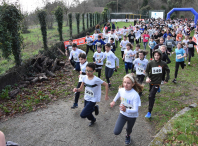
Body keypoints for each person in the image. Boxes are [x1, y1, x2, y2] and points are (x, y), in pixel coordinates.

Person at [110, 74, 143, 145]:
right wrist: (113, 101)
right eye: (124, 82)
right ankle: (127, 134)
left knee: (129, 129)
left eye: (128, 83)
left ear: (133, 84)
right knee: (116, 131)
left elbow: (136, 110)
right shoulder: (121, 90)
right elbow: (118, 93)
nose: (126, 84)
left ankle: (128, 136)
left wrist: (126, 110)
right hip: (123, 114)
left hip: (132, 116)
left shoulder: (135, 95)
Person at [145, 49, 170, 118]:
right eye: (155, 55)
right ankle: (157, 89)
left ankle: (149, 112)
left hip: (157, 82)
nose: (156, 56)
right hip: (151, 81)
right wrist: (147, 77)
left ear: (160, 56)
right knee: (151, 93)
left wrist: (167, 79)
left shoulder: (163, 63)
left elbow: (168, 70)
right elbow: (146, 71)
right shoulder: (150, 63)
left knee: (151, 96)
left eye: (158, 55)